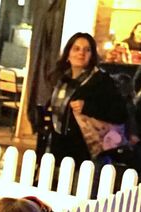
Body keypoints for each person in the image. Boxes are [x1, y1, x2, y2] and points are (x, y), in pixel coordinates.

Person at [48, 33, 130, 166]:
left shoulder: (101, 80)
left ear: (92, 55)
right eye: (76, 49)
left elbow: (120, 113)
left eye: (87, 50)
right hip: (61, 149)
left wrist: (88, 107)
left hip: (89, 154)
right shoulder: (62, 80)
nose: (81, 53)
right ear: (68, 53)